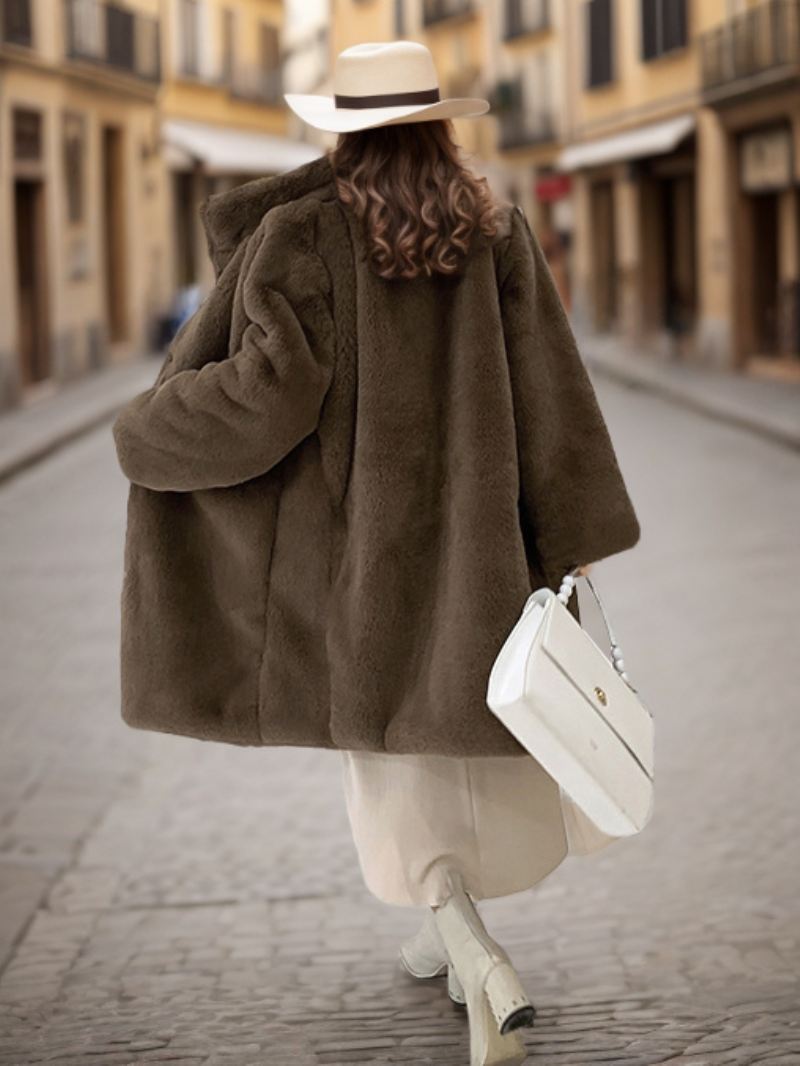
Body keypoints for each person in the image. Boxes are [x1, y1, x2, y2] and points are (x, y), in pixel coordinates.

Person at [111, 40, 641, 1066]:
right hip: (482, 561)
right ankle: (440, 941)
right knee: (458, 756)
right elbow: (552, 392)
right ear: (441, 122)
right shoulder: (494, 227)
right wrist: (568, 542)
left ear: (338, 130)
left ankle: (478, 963)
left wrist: (149, 426)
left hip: (360, 574)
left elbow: (264, 399)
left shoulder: (302, 236)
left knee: (393, 781)